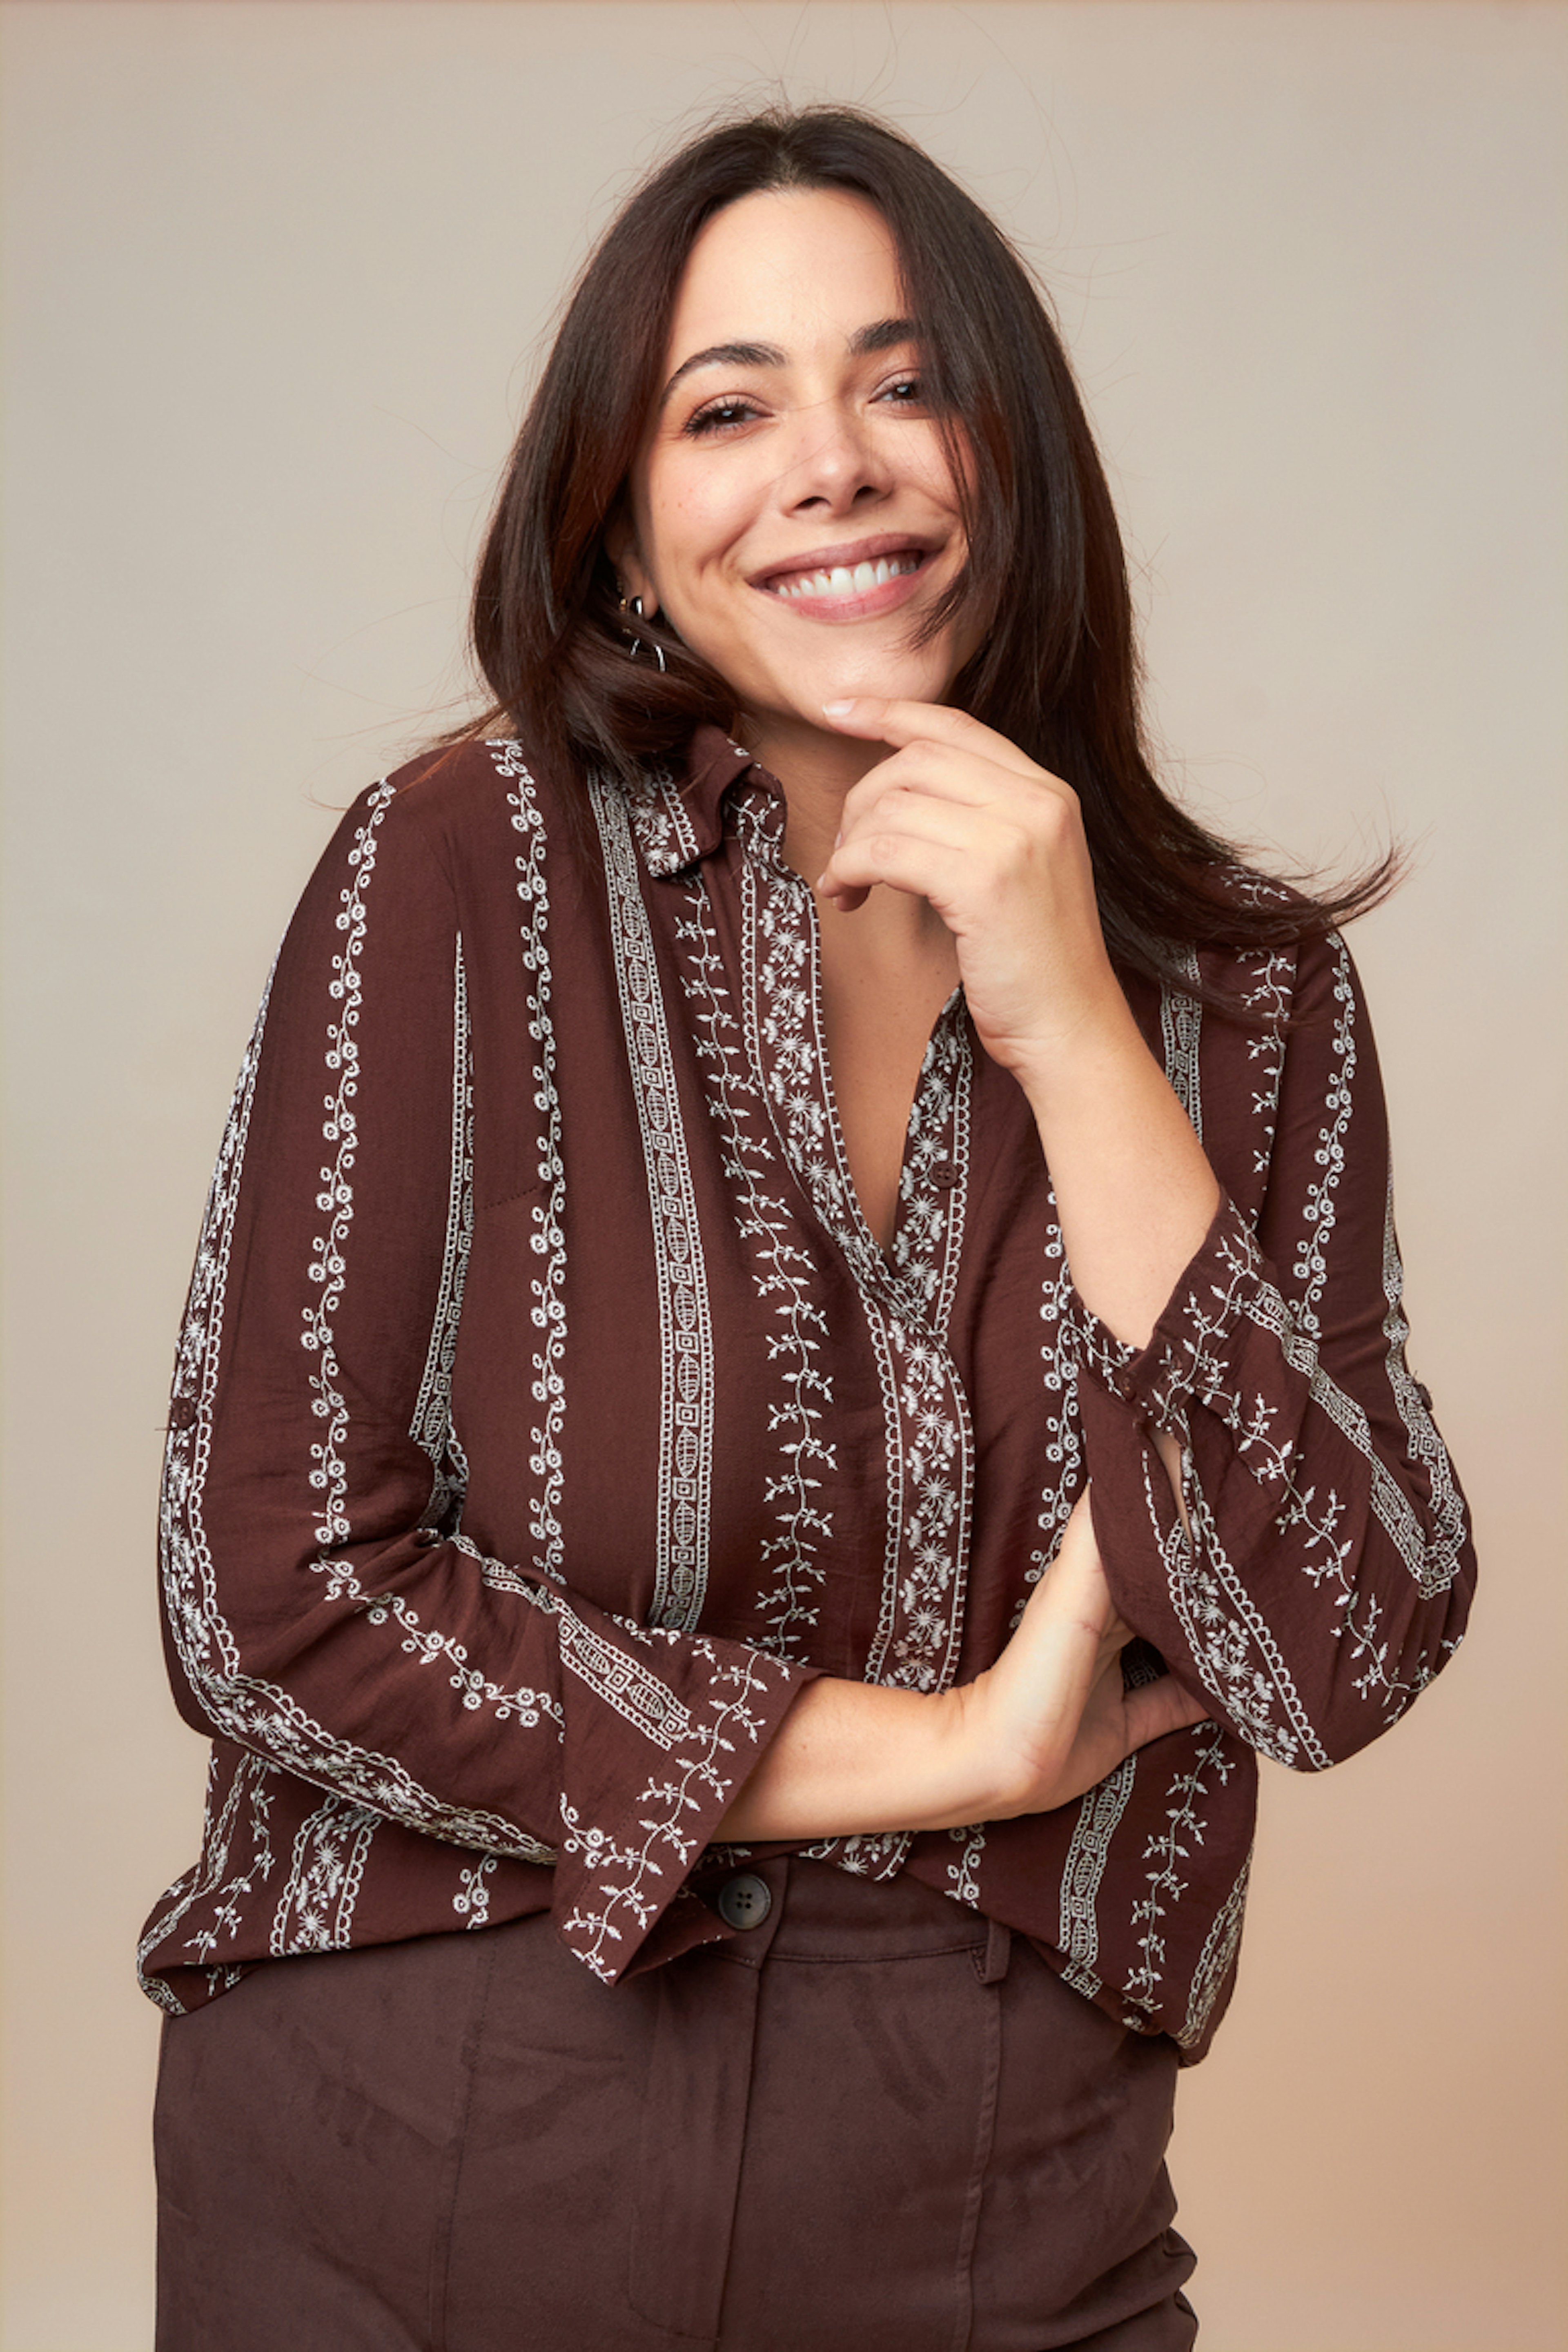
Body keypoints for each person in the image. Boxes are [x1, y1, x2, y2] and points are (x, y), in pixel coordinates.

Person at [140, 105, 1476, 2352]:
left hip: (993, 2185)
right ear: (625, 530)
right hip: (429, 2127)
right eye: (728, 410)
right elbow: (265, 1595)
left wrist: (1080, 1032)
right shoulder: (450, 873)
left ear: (1009, 451)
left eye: (903, 382)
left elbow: (1340, 1646)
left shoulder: (1246, 1004)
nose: (833, 465)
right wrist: (959, 1752)